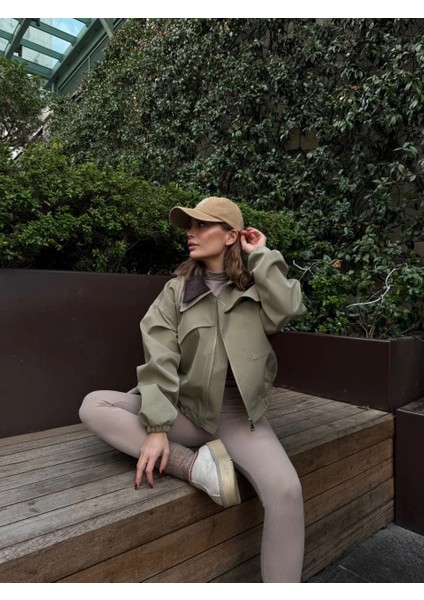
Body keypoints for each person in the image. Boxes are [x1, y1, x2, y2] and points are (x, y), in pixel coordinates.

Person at [79, 196, 307, 583]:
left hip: (239, 419)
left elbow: (290, 308)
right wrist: (157, 428)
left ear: (231, 235)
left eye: (202, 225)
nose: (191, 233)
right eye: (190, 226)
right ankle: (196, 467)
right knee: (94, 404)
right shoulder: (176, 291)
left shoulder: (256, 289)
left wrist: (261, 255)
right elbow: (160, 359)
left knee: (286, 491)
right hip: (186, 413)